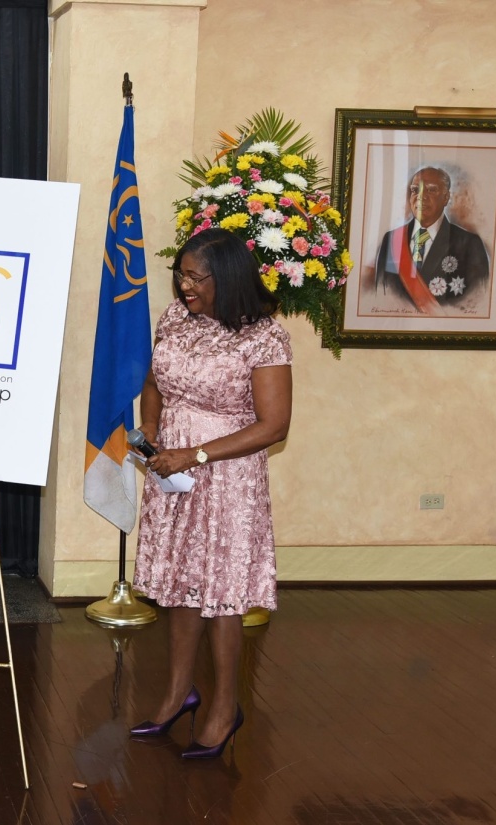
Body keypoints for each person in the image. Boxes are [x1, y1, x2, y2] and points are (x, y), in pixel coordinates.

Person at [129, 227, 292, 759]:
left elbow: (273, 425)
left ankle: (225, 706)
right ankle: (179, 693)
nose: (184, 285)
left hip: (227, 474)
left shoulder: (263, 336)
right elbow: (154, 382)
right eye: (181, 273)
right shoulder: (176, 318)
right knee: (180, 583)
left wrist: (195, 454)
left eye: (197, 276)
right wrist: (151, 430)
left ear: (228, 277)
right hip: (171, 467)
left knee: (222, 593)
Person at [373, 166, 490, 314]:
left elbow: (477, 303)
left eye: (431, 190)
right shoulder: (392, 240)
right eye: (415, 190)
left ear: (446, 198)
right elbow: (380, 295)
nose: (421, 196)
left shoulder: (469, 244)